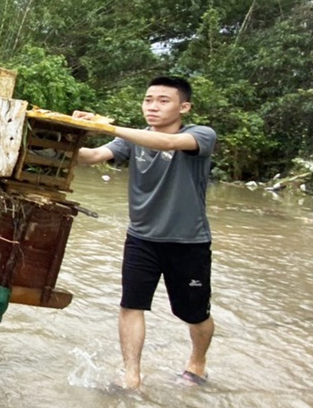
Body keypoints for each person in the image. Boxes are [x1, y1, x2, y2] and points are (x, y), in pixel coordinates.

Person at [75, 76, 216, 390]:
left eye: (163, 100)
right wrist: (66, 134)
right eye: (148, 99)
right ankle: (131, 377)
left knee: (193, 313)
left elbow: (166, 143)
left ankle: (198, 363)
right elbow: (94, 156)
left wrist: (106, 126)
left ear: (185, 106)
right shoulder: (132, 140)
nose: (152, 106)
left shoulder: (200, 135)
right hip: (141, 238)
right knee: (131, 305)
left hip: (188, 241)